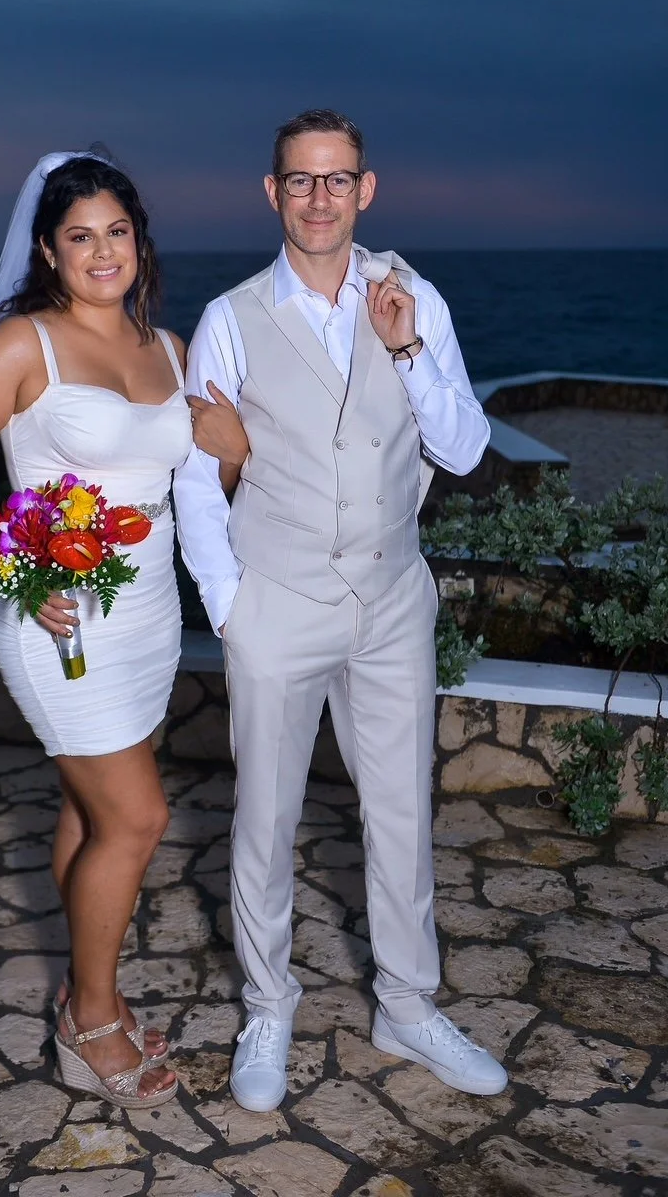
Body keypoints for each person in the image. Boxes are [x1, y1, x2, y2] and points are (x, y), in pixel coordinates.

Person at [173, 109, 507, 1112]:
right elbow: (199, 474)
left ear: (365, 190)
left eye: (336, 179)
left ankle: (405, 1005)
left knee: (401, 811)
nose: (318, 198)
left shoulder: (412, 300)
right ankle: (267, 1003)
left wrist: (405, 351)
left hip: (393, 597)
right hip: (276, 599)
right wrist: (228, 602)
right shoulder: (230, 318)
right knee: (264, 818)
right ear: (270, 193)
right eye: (299, 180)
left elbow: (462, 450)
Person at [0, 150, 248, 1109]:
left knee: (89, 812)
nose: (103, 252)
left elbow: (191, 493)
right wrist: (16, 572)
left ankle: (89, 988)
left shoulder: (170, 349)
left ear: (139, 240)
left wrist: (229, 453)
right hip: (62, 624)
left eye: (117, 232)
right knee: (138, 818)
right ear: (50, 252)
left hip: (146, 617)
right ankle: (89, 1020)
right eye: (80, 237)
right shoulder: (24, 347)